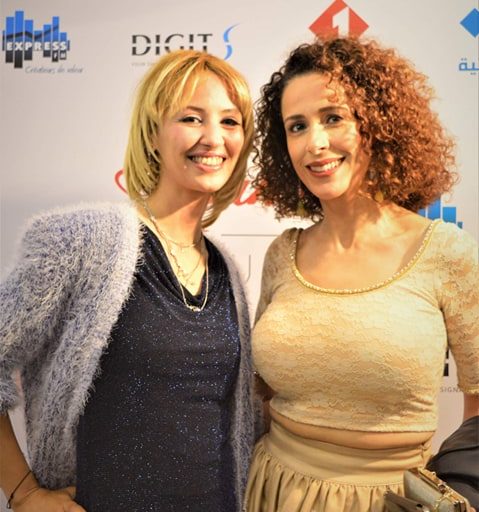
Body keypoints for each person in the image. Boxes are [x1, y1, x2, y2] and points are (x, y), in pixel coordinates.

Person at [0, 49, 257, 512]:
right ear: (153, 134)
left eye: (230, 122)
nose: (214, 137)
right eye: (192, 118)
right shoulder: (80, 242)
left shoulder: (226, 271)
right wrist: (23, 492)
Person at [244, 36, 479, 512]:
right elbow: (260, 398)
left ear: (376, 122)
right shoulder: (282, 253)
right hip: (269, 488)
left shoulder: (446, 252)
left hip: (390, 500)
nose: (315, 143)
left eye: (333, 117)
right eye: (297, 126)